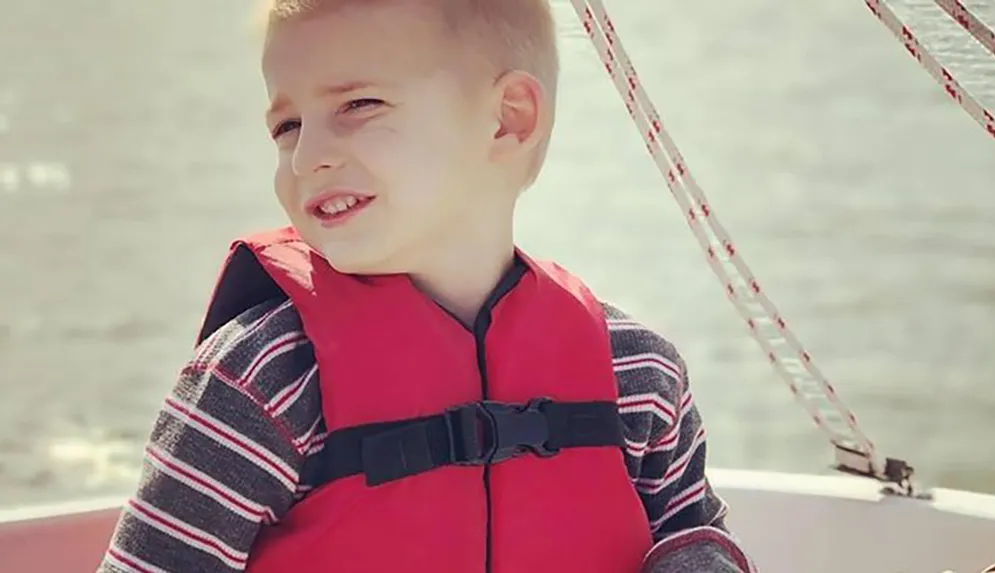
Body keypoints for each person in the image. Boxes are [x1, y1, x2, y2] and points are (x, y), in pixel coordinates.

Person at [97, 0, 756, 571]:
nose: (306, 157)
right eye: (287, 126)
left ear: (507, 120)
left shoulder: (636, 374)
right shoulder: (265, 380)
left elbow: (690, 540)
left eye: (358, 104)